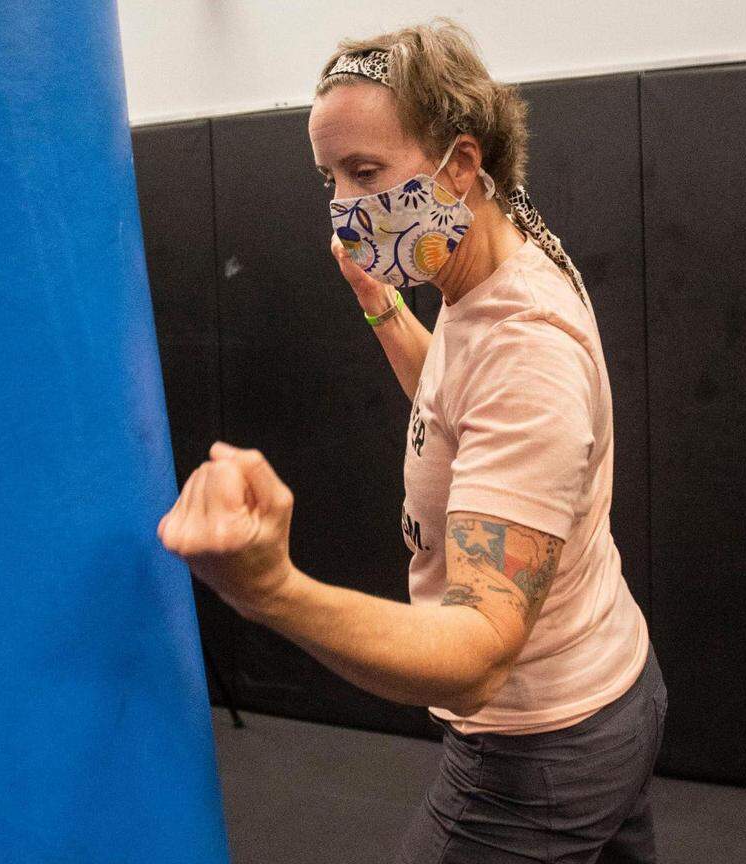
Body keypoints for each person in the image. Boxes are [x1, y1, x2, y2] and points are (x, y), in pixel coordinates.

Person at [156, 17, 669, 864]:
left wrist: (269, 590)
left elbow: (476, 653)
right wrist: (382, 304)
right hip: (610, 686)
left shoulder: (522, 346)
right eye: (329, 179)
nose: (345, 208)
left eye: (365, 173)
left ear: (461, 164)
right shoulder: (499, 257)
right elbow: (461, 407)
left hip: (538, 751)